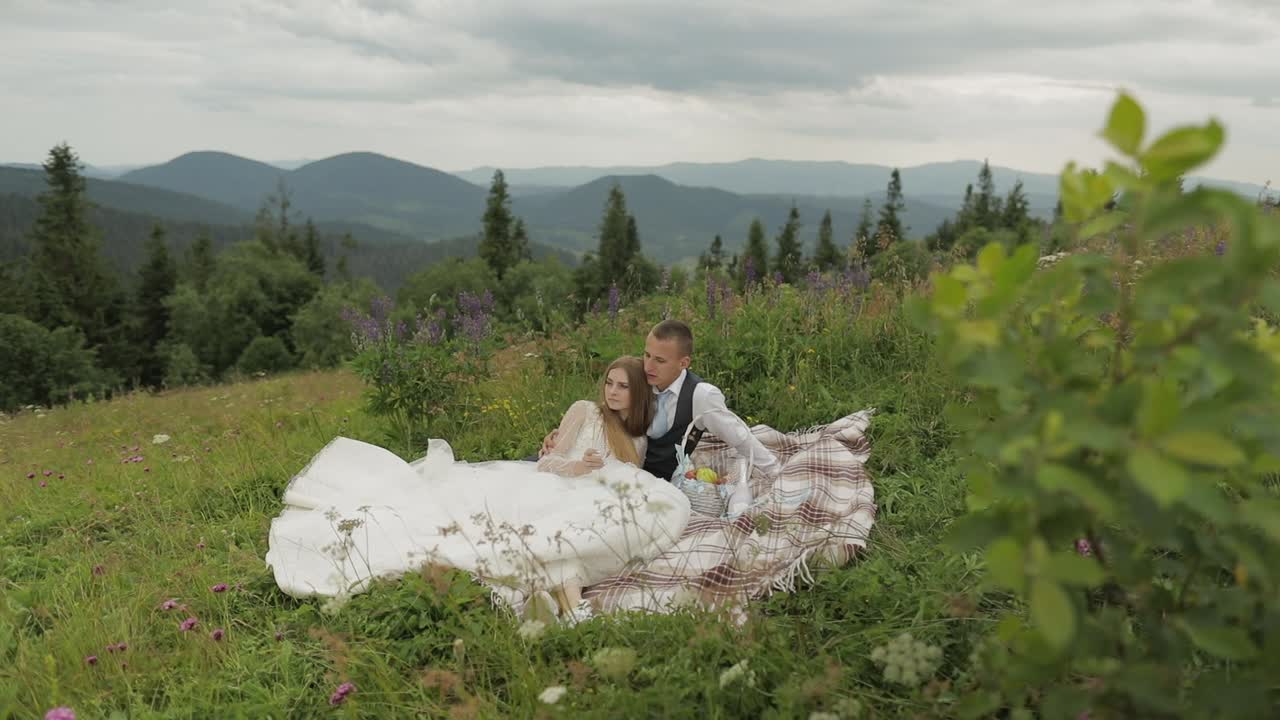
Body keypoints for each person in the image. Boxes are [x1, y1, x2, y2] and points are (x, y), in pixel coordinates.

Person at [264, 356, 690, 624]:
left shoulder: (636, 436)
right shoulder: (584, 411)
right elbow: (548, 461)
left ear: (637, 393)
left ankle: (569, 605)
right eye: (609, 383)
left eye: (623, 386)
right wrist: (576, 464)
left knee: (585, 526)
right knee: (541, 524)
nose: (612, 392)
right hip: (553, 484)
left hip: (594, 496)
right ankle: (570, 604)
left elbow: (629, 480)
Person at [540, 319, 781, 485]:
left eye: (660, 360)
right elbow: (604, 414)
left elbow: (740, 437)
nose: (648, 366)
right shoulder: (640, 379)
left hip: (652, 481)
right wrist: (561, 438)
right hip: (596, 469)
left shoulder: (701, 395)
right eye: (646, 355)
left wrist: (776, 473)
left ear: (683, 363)